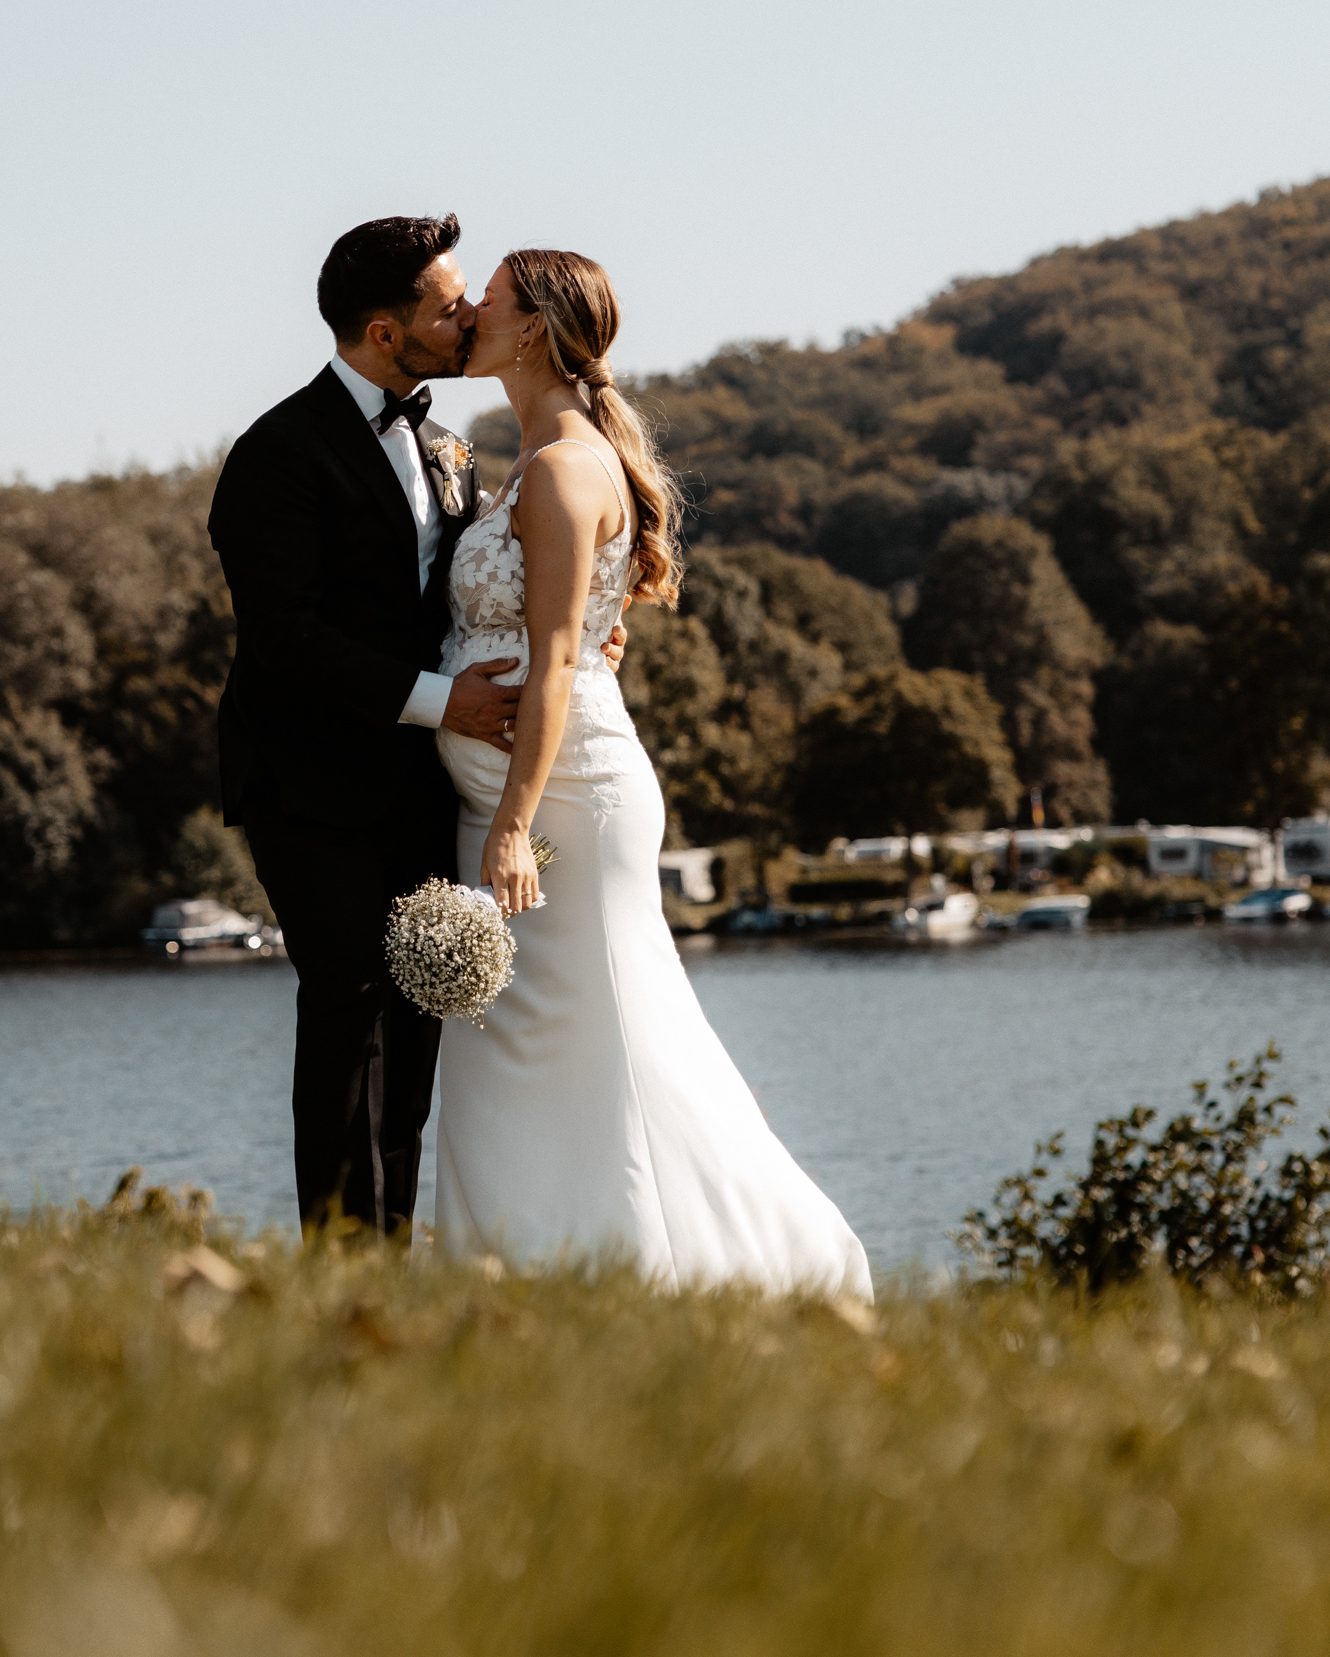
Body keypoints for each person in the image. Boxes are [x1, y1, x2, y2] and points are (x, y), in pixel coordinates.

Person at [435, 249, 873, 1298]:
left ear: (533, 326)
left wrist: (511, 822)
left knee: (602, 1034)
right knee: (528, 1043)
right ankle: (534, 1268)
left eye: (485, 300)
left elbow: (551, 668)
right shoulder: (535, 458)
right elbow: (588, 629)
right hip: (513, 791)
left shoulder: (560, 468)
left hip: (556, 803)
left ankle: (743, 1262)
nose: (465, 314)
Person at [208, 214, 624, 1238]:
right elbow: (285, 642)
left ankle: (397, 1247)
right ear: (386, 333)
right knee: (347, 1000)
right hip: (309, 783)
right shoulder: (275, 455)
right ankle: (344, 1255)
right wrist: (452, 702)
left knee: (418, 1010)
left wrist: (583, 639)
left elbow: (475, 600)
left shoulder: (448, 449)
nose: (468, 314)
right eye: (446, 306)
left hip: (420, 783)